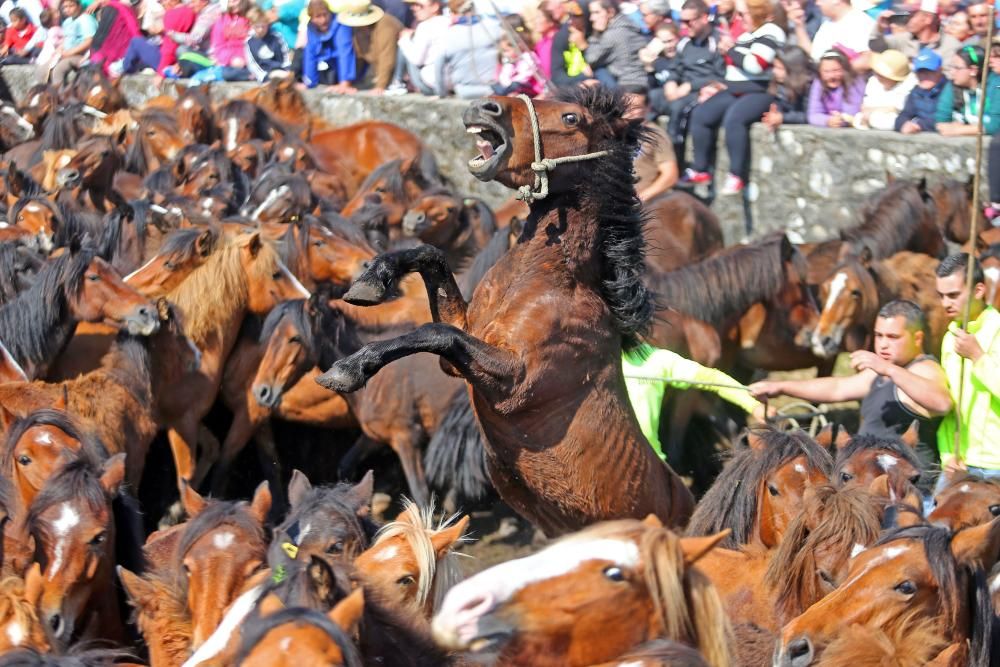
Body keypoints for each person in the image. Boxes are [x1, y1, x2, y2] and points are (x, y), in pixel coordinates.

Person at [750, 300, 952, 474]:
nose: (882, 344)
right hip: (872, 485)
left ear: (917, 338)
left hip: (907, 493)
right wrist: (781, 387)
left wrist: (888, 369)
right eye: (879, 335)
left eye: (892, 337)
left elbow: (942, 403)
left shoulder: (924, 369)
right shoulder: (884, 372)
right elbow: (837, 387)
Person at [680, 0, 785, 190]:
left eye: (743, 14)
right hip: (734, 89)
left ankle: (736, 174)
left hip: (758, 92)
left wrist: (730, 50)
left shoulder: (771, 32)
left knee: (734, 119)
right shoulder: (747, 35)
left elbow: (756, 64)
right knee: (701, 113)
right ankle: (700, 168)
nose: (739, 18)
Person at [624, 341, 766, 461]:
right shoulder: (602, 359)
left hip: (652, 463)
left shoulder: (655, 359)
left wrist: (754, 406)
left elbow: (713, 379)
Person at [935, 253, 1000, 478]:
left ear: (979, 290)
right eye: (941, 295)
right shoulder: (950, 337)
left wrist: (978, 357)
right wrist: (947, 455)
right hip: (958, 463)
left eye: (953, 295)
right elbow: (950, 406)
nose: (945, 303)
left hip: (995, 464)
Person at [720, 45, 813, 193]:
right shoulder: (779, 83)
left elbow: (810, 115)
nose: (774, 72)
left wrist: (784, 117)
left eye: (779, 68)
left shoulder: (809, 85)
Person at [666, 0, 724, 165]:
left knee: (678, 108)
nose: (684, 26)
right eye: (682, 21)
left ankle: (675, 162)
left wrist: (691, 86)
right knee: (647, 99)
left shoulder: (716, 42)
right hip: (680, 89)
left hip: (702, 91)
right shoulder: (684, 43)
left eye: (688, 21)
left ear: (704, 18)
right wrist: (670, 83)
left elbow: (720, 76)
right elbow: (674, 69)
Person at [434, 0, 500, 98]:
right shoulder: (495, 26)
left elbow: (438, 69)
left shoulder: (447, 35)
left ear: (453, 13)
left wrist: (441, 94)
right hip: (496, 89)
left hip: (465, 91)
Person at [582, 0, 648, 90]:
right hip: (642, 81)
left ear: (610, 12)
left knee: (599, 71)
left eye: (596, 12)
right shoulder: (627, 24)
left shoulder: (613, 34)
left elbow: (591, 58)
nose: (592, 18)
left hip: (628, 86)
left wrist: (595, 35)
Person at [935, 45, 1000, 137]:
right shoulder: (952, 85)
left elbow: (996, 125)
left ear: (973, 70)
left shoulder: (996, 85)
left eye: (957, 68)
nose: (952, 72)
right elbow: (941, 120)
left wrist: (959, 130)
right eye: (951, 67)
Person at [340, 0, 402, 93]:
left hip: (397, 74)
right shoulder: (358, 30)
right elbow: (358, 58)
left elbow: (387, 57)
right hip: (378, 73)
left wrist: (380, 86)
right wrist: (348, 83)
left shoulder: (385, 24)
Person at [387, 0, 447, 94]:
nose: (414, 8)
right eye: (413, 5)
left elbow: (416, 60)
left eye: (419, 5)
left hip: (432, 86)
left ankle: (397, 82)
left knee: (405, 42)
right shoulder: (449, 22)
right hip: (452, 84)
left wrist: (405, 39)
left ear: (435, 6)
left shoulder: (425, 26)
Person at [870, 0, 960, 63]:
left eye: (912, 15)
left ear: (927, 19)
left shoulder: (950, 46)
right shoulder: (905, 38)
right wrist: (880, 28)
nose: (907, 19)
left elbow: (950, 77)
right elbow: (876, 46)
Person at [36, 0, 97, 84]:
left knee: (59, 70)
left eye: (71, 6)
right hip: (66, 54)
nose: (67, 9)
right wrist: (59, 49)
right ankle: (45, 93)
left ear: (78, 6)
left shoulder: (86, 20)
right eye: (65, 7)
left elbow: (89, 41)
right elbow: (66, 40)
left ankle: (59, 95)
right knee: (42, 70)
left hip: (81, 55)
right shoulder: (67, 22)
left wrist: (70, 53)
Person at [805, 0, 874, 72]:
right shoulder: (827, 23)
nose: (817, 3)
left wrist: (834, 72)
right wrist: (799, 26)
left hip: (851, 81)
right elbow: (813, 55)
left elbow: (867, 60)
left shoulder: (860, 22)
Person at [853, 48, 914, 129]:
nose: (877, 74)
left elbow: (897, 110)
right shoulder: (873, 81)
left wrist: (872, 114)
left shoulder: (909, 86)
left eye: (881, 74)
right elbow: (865, 107)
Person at [302, 0, 356, 90]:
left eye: (325, 14)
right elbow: (310, 54)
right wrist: (309, 83)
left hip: (352, 66)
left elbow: (345, 53)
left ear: (329, 12)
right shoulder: (311, 27)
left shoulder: (341, 23)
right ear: (311, 18)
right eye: (318, 16)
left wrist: (345, 83)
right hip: (330, 66)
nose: (323, 20)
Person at [807, 47, 864, 127]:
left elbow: (852, 112)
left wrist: (841, 119)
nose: (831, 76)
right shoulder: (818, 83)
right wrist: (827, 120)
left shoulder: (854, 82)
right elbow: (813, 115)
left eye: (836, 70)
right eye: (826, 71)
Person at [896, 47, 945, 133]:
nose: (924, 75)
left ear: (940, 70)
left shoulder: (949, 90)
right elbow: (904, 115)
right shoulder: (916, 92)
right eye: (920, 71)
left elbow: (945, 120)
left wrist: (918, 125)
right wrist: (904, 124)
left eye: (929, 71)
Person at [88, 0, 141, 75]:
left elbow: (134, 30)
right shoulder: (110, 9)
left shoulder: (121, 8)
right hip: (105, 56)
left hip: (119, 57)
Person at [642, 20, 680, 116]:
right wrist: (648, 66)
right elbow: (651, 87)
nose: (668, 46)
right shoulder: (658, 61)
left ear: (678, 38)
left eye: (670, 41)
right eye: (663, 42)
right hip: (659, 102)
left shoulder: (683, 58)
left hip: (677, 100)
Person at [493, 25, 545, 96]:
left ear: (517, 47)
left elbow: (525, 76)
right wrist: (507, 84)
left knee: (514, 89)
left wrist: (512, 83)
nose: (505, 54)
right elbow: (505, 74)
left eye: (506, 51)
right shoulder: (510, 60)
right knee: (496, 87)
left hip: (532, 87)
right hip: (514, 85)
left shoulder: (528, 57)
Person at [245, 6, 291, 80]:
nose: (260, 29)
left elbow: (285, 54)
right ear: (252, 25)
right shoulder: (249, 42)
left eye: (263, 26)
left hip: (281, 69)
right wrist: (263, 76)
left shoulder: (276, 37)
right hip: (266, 74)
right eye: (257, 26)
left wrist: (287, 68)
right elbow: (252, 64)